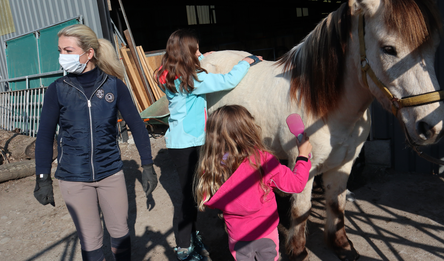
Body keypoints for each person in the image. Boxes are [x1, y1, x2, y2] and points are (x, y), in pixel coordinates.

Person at [33, 24, 158, 261]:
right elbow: (44, 136)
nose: (62, 57)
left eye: (68, 50)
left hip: (110, 173)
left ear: (88, 53)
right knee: (91, 240)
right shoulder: (57, 90)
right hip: (73, 178)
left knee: (120, 233)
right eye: (60, 50)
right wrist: (42, 178)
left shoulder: (113, 86)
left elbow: (138, 126)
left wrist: (148, 165)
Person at [154, 29, 263, 261]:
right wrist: (246, 62)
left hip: (179, 141)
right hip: (189, 143)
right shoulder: (192, 80)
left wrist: (202, 57)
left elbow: (187, 66)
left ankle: (192, 238)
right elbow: (228, 80)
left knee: (191, 194)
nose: (200, 53)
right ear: (187, 54)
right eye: (196, 50)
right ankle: (184, 248)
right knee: (187, 198)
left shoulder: (168, 74)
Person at [194, 105, 312, 261]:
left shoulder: (214, 168)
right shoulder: (263, 161)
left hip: (237, 237)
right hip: (266, 233)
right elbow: (296, 184)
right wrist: (303, 156)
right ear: (249, 130)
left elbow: (210, 200)